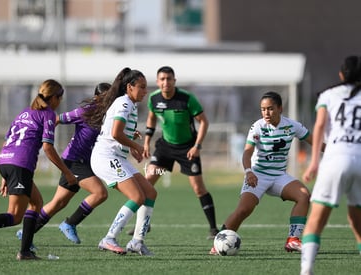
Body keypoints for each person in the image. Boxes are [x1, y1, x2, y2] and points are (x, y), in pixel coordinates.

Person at [0, 79, 77, 260]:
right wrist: (68, 172)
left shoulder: (24, 113)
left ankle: (25, 251)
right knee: (15, 216)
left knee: (37, 202)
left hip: (5, 161)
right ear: (54, 97)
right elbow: (48, 148)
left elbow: (8, 141)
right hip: (20, 164)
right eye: (60, 98)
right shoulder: (47, 114)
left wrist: (5, 176)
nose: (60, 102)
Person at [210, 91, 316, 255]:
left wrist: (335, 150)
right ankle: (218, 243)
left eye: (270, 109)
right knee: (244, 210)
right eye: (263, 109)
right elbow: (246, 153)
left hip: (280, 176)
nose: (266, 113)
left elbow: (315, 142)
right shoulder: (257, 126)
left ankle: (293, 240)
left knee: (303, 195)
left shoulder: (292, 126)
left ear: (280, 108)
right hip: (257, 175)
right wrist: (248, 171)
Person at [128, 65, 218, 239]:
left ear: (174, 81)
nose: (165, 82)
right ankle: (144, 224)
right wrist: (146, 141)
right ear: (157, 82)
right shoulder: (153, 99)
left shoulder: (187, 98)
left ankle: (214, 228)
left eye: (169, 79)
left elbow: (204, 122)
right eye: (162, 79)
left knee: (199, 188)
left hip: (188, 150)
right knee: (148, 182)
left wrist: (197, 146)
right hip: (165, 148)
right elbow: (151, 118)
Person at [15, 83, 111, 247]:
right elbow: (57, 119)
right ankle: (70, 223)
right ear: (97, 98)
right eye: (107, 98)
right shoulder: (85, 112)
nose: (110, 101)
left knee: (58, 203)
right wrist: (42, 134)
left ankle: (26, 233)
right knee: (100, 193)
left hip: (81, 162)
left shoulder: (107, 116)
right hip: (74, 161)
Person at [300, 56, 361, 275]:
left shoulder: (329, 95)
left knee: (316, 219)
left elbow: (319, 126)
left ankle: (306, 269)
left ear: (341, 74)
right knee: (357, 222)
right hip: (360, 161)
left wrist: (314, 161)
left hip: (335, 159)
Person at [89, 67, 157, 256]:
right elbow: (115, 133)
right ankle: (109, 238)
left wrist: (131, 148)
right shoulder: (124, 104)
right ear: (129, 87)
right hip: (105, 157)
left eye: (146, 87)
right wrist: (136, 146)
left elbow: (120, 134)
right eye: (142, 87)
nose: (145, 91)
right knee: (137, 197)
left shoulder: (129, 104)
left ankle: (137, 242)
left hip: (116, 157)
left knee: (150, 192)